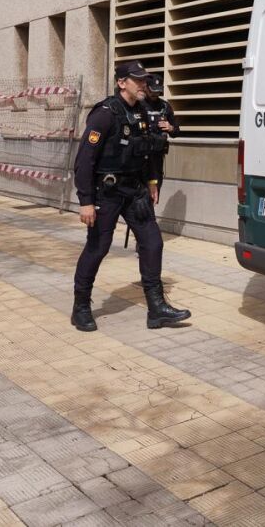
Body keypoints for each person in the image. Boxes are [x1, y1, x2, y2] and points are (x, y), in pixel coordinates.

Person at [69, 61, 190, 332]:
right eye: (138, 80)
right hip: (107, 191)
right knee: (98, 247)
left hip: (135, 189)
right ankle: (81, 307)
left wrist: (152, 181)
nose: (143, 84)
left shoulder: (142, 111)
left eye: (145, 80)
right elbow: (85, 160)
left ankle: (156, 308)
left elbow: (146, 151)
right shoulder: (105, 114)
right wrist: (86, 201)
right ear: (122, 83)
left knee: (153, 243)